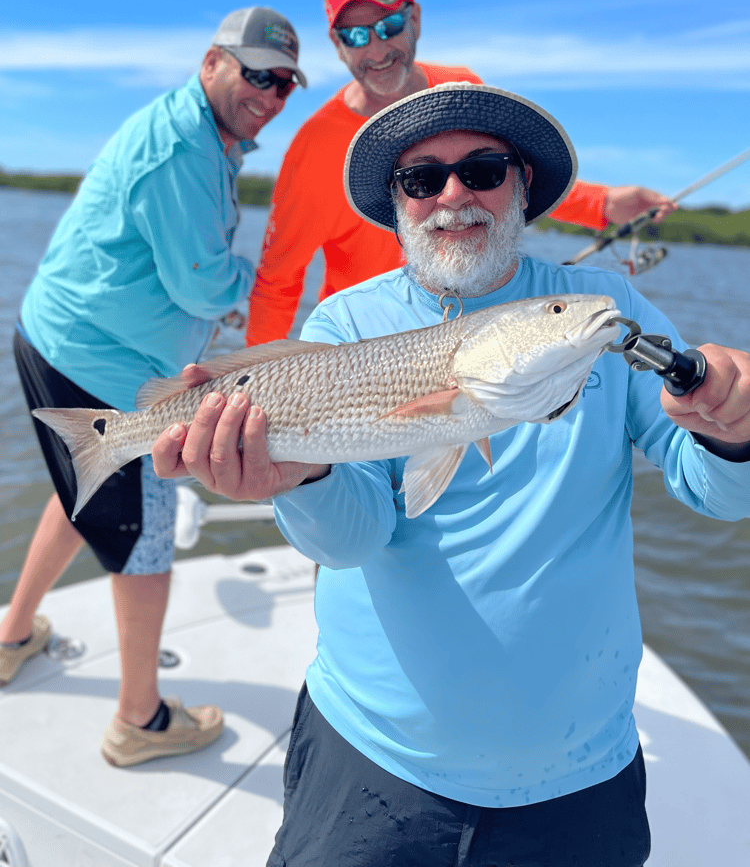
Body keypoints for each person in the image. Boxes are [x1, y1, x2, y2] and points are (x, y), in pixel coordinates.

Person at [153, 83, 750, 866]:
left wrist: (734, 433)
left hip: (579, 775)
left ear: (523, 185)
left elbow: (711, 491)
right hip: (374, 755)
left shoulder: (604, 306)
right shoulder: (346, 323)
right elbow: (355, 535)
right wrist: (298, 477)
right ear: (398, 203)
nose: (454, 196)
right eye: (422, 178)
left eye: (484, 168)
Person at [0, 7, 307, 767]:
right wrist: (274, 285)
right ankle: (139, 719)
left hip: (55, 335)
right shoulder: (185, 151)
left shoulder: (203, 135)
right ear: (213, 63)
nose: (270, 95)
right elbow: (203, 283)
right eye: (257, 75)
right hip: (104, 367)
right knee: (146, 535)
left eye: (284, 86)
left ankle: (9, 635)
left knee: (83, 480)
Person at [246, 0, 677, 346]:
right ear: (338, 45)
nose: (376, 50)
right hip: (371, 347)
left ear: (414, 18)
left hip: (474, 331)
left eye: (389, 27)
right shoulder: (313, 146)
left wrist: (602, 204)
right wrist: (252, 394)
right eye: (355, 36)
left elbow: (495, 179)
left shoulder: (461, 86)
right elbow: (278, 282)